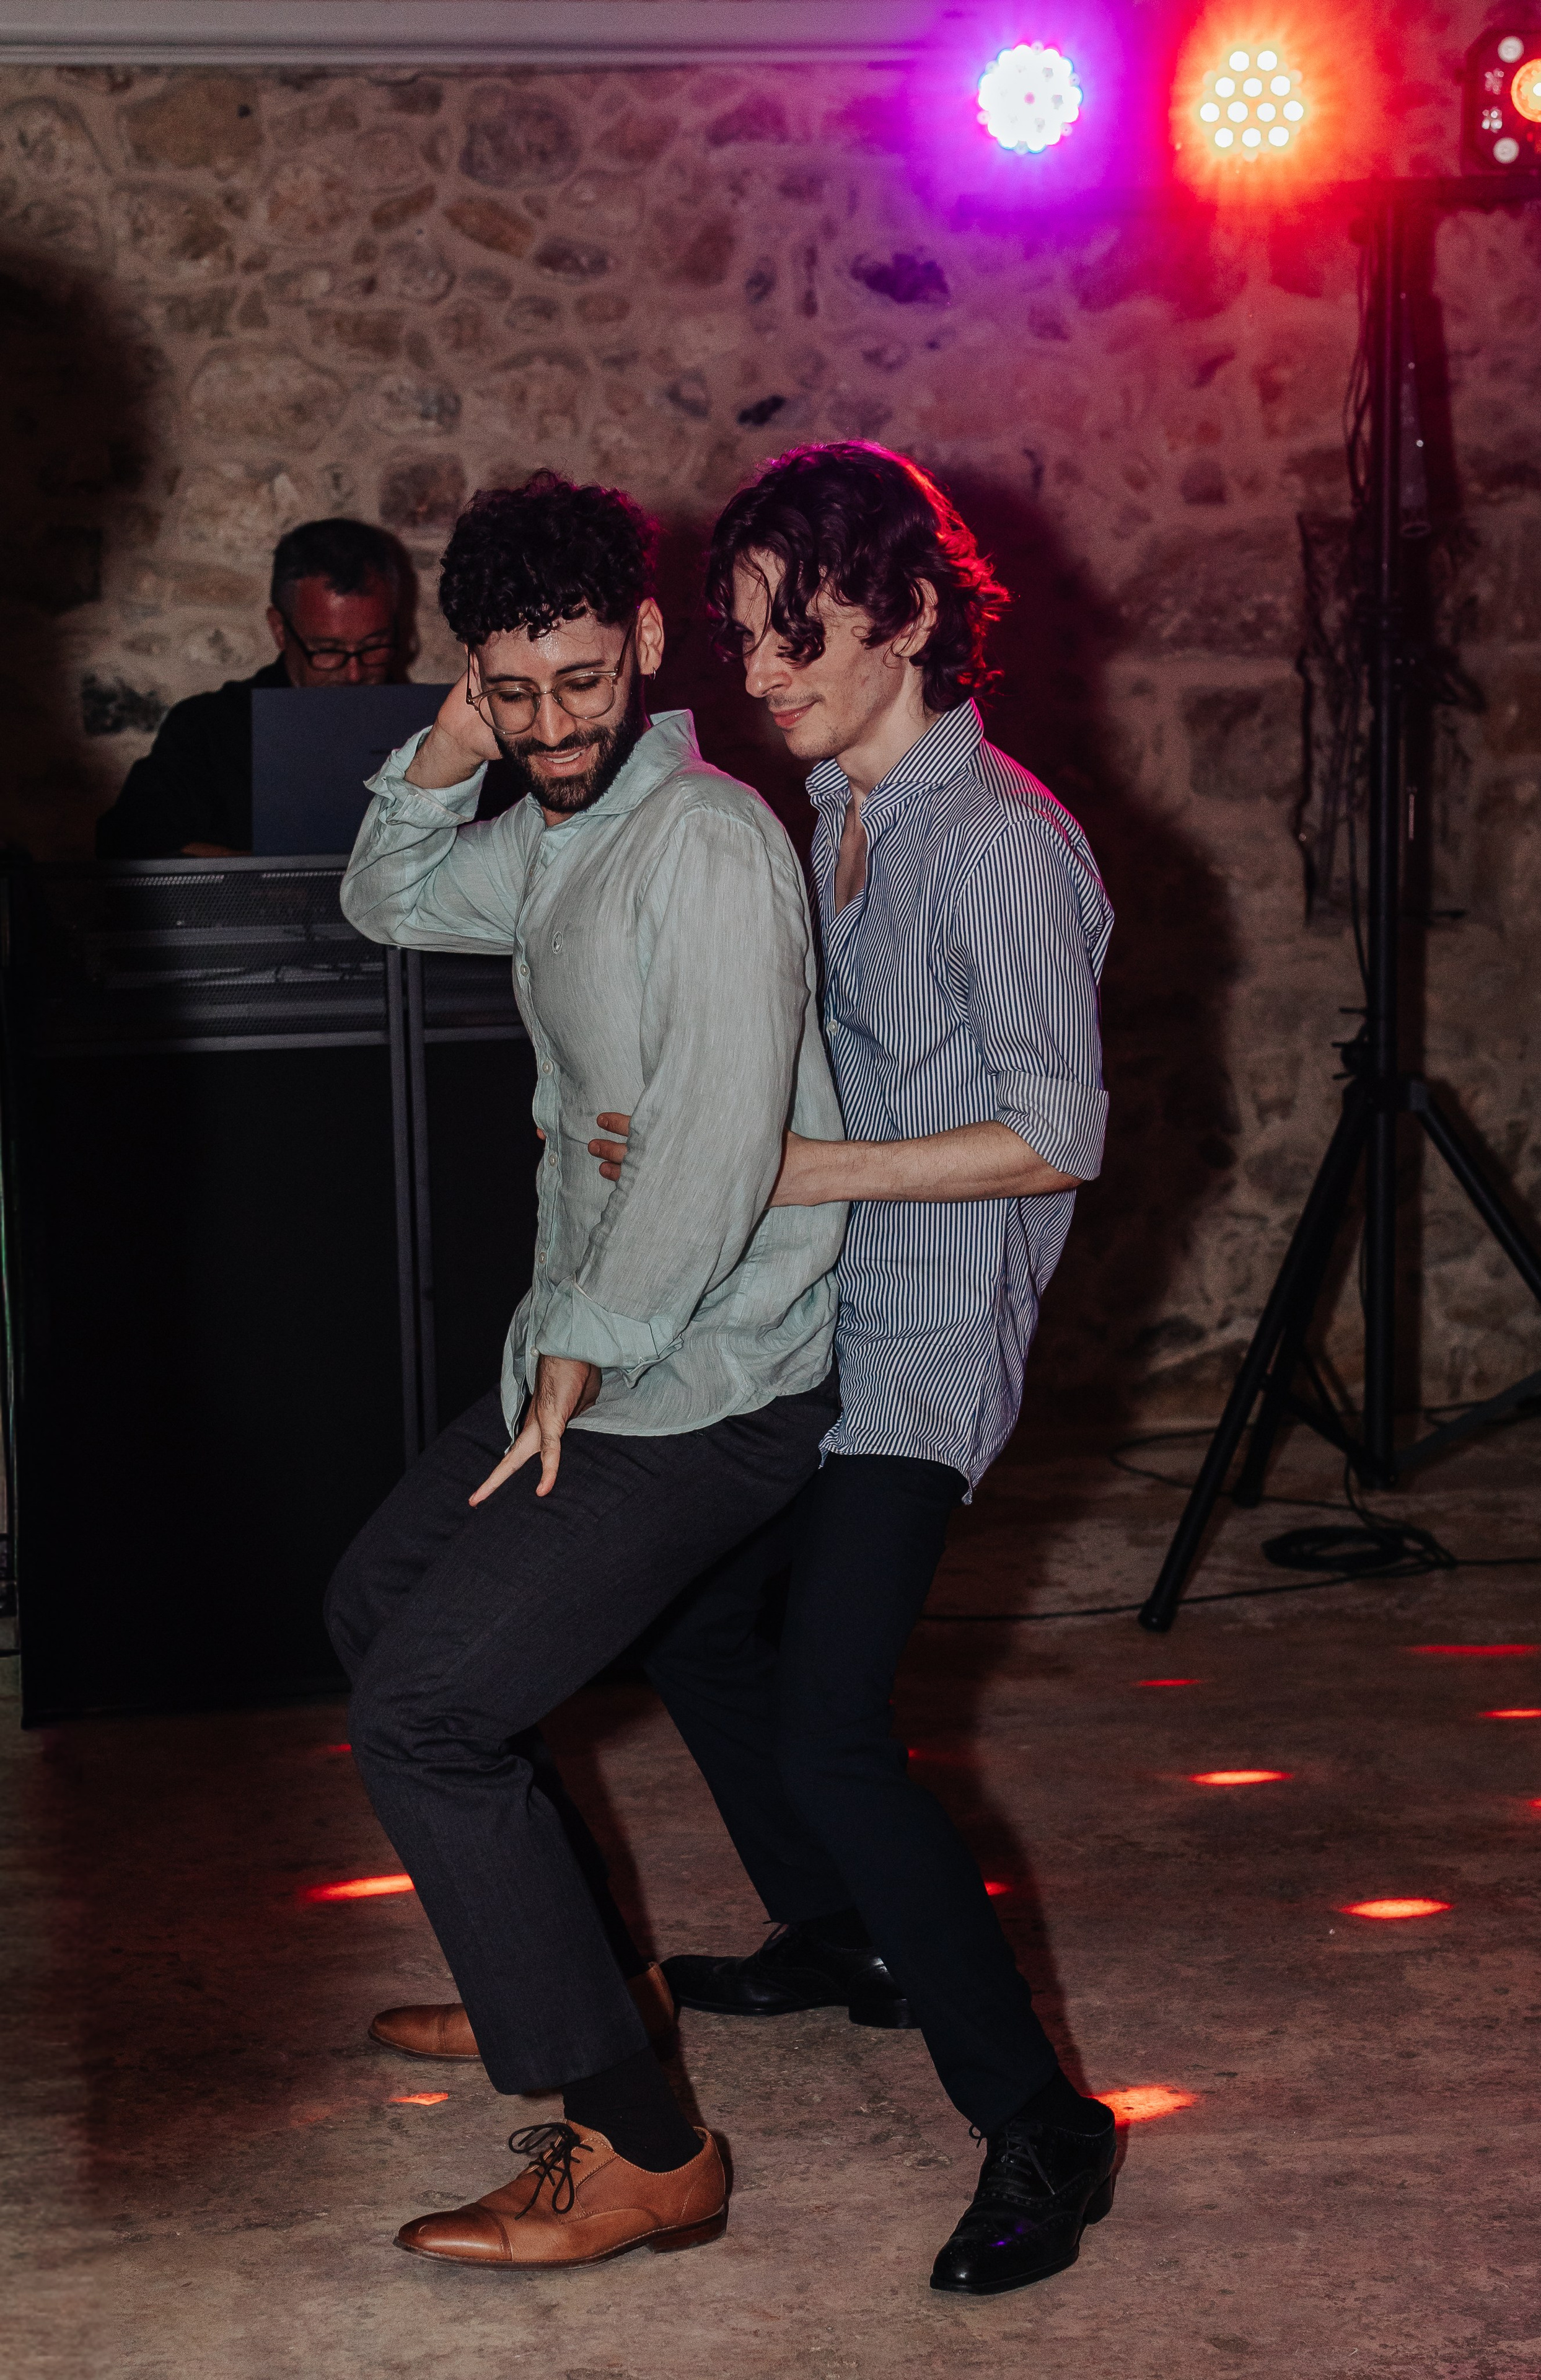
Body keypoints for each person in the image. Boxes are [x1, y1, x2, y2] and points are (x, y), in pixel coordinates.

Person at [587, 443, 1117, 2297]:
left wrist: (790, 1167)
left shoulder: (1002, 843)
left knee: (830, 1717)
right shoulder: (836, 813)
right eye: (739, 633)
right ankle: (843, 1930)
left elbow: (1055, 1131)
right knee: (695, 1626)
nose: (755, 669)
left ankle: (1041, 2118)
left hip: (924, 1340)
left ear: (907, 615)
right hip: (818, 1314)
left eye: (790, 629)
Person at [328, 470, 848, 2271]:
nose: (553, 726)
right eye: (514, 691)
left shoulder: (702, 844)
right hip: (596, 1346)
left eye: (581, 681)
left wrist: (580, 1353)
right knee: (374, 1602)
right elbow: (389, 897)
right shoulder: (563, 826)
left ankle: (645, 2146)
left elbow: (710, 1149)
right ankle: (573, 1973)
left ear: (641, 641)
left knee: (424, 1712)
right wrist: (446, 741)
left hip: (705, 1377)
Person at [94, 518, 405, 858]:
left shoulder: (422, 725)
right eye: (328, 649)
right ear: (280, 630)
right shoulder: (207, 730)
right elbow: (126, 840)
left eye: (375, 645)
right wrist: (262, 873)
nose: (355, 674)